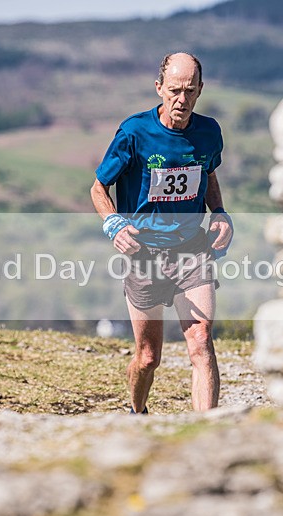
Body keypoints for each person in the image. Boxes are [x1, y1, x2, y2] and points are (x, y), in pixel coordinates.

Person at [90, 52, 233, 413]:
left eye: (189, 90)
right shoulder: (134, 133)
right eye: (173, 90)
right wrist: (113, 224)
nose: (181, 100)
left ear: (200, 90)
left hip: (192, 250)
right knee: (148, 357)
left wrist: (218, 212)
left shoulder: (209, 132)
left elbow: (208, 174)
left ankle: (205, 433)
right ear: (159, 88)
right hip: (144, 256)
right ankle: (137, 411)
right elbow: (98, 189)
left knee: (200, 341)